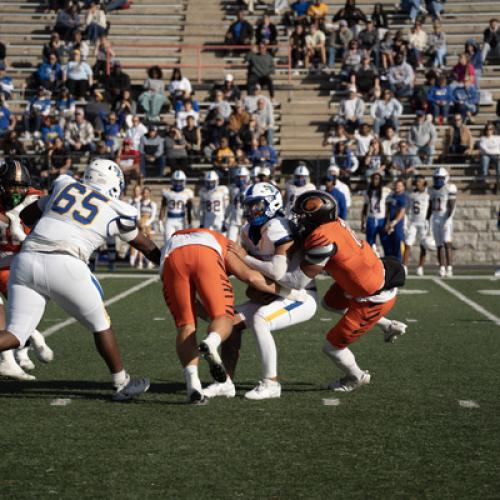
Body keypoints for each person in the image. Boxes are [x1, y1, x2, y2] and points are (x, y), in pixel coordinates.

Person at [0, 159, 159, 400]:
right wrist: (166, 263)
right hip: (66, 262)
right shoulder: (119, 209)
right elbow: (145, 245)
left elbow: (26, 215)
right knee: (100, 323)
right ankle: (121, 383)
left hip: (26, 259)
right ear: (115, 182)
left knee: (16, 334)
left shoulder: (64, 185)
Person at [278, 190, 406, 392]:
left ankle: (356, 376)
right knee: (330, 303)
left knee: (332, 347)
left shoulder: (322, 239)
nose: (299, 219)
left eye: (303, 216)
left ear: (316, 217)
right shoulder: (334, 223)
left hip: (373, 298)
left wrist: (263, 272)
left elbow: (297, 281)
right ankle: (388, 326)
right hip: (368, 275)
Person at [160, 226, 305, 404]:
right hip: (205, 251)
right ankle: (212, 342)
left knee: (186, 325)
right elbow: (251, 277)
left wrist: (208, 317)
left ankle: (194, 386)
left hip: (170, 256)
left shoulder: (176, 240)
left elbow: (194, 306)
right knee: (225, 316)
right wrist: (291, 294)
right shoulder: (220, 240)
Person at [204, 182, 318, 400]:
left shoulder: (278, 226)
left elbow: (277, 270)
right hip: (275, 293)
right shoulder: (249, 231)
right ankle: (225, 382)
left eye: (257, 206)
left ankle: (270, 383)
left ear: (272, 203)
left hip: (301, 296)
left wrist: (244, 257)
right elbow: (250, 272)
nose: (251, 211)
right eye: (249, 206)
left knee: (260, 318)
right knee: (230, 321)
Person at [0, 160, 54, 381]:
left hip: (25, 259)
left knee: (28, 306)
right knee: (8, 311)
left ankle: (22, 351)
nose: (17, 191)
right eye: (12, 186)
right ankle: (10, 359)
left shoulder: (36, 198)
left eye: (20, 186)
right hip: (4, 261)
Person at [428, 167, 456, 277]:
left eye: (440, 178)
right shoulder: (431, 189)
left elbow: (452, 206)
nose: (438, 180)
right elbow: (430, 206)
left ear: (446, 178)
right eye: (436, 178)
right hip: (435, 218)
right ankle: (441, 267)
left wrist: (448, 219)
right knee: (439, 244)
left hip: (445, 218)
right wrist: (427, 219)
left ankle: (449, 267)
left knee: (447, 243)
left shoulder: (450, 188)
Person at [403, 175, 430, 276]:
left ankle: (420, 267)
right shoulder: (411, 195)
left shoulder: (428, 195)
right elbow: (407, 209)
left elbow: (430, 209)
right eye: (417, 181)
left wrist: (429, 222)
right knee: (408, 244)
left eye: (420, 181)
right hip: (413, 222)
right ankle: (404, 266)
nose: (418, 183)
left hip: (423, 223)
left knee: (423, 245)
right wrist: (406, 223)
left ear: (424, 183)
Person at [159, 170, 194, 242]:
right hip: (170, 220)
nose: (178, 183)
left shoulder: (188, 193)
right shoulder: (167, 192)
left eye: (180, 181)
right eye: (176, 181)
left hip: (181, 220)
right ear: (172, 181)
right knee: (168, 241)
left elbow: (189, 210)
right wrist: (160, 221)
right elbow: (163, 207)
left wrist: (190, 223)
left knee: (181, 242)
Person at [361, 171, 391, 250]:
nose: (375, 181)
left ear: (380, 180)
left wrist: (388, 222)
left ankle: (387, 260)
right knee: (370, 243)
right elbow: (365, 208)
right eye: (373, 179)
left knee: (385, 242)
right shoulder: (368, 192)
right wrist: (363, 222)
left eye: (377, 179)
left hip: (382, 219)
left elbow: (388, 208)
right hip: (371, 218)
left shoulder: (386, 191)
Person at [381, 179, 407, 262]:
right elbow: (387, 210)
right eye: (396, 185)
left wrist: (394, 222)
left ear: (403, 187)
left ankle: (400, 265)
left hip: (399, 224)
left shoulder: (403, 197)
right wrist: (387, 221)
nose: (397, 187)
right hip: (390, 223)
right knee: (388, 246)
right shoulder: (391, 196)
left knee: (398, 245)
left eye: (399, 186)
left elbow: (402, 211)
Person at [226, 166, 250, 242]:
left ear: (247, 177)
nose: (240, 179)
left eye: (243, 177)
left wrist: (247, 215)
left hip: (246, 220)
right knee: (230, 242)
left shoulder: (251, 188)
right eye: (238, 177)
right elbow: (231, 204)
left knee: (246, 244)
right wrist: (226, 217)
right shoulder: (233, 189)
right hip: (234, 219)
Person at [136, 187, 157, 270]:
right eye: (144, 192)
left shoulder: (152, 204)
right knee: (141, 244)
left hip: (149, 224)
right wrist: (140, 223)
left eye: (147, 192)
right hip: (141, 224)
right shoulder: (139, 203)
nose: (145, 194)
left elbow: (153, 216)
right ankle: (140, 262)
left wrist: (146, 223)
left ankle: (150, 262)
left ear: (149, 193)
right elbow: (137, 215)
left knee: (150, 244)